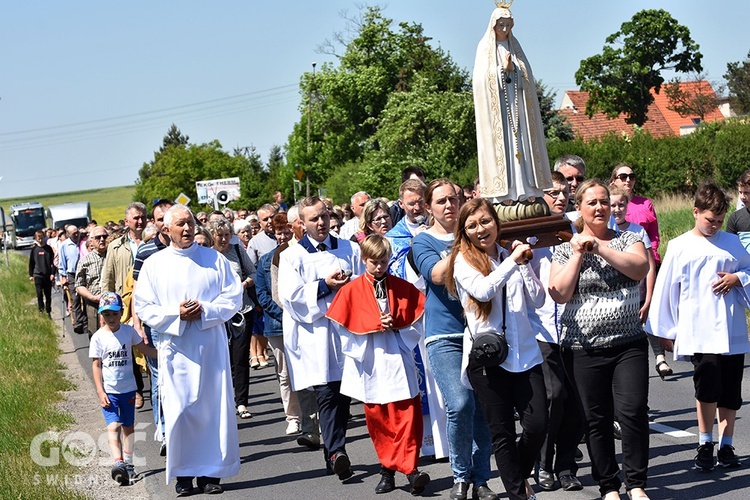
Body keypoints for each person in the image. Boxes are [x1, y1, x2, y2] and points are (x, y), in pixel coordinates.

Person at [549, 179, 650, 500]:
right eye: (591, 202)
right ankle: (609, 486)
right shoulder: (564, 248)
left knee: (632, 411)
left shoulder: (628, 238)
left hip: (628, 344)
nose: (599, 207)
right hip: (583, 349)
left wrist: (601, 247)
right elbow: (559, 292)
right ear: (578, 208)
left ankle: (635, 484)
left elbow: (640, 268)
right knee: (597, 419)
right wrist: (579, 253)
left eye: (604, 201)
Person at [134, 205, 243, 495]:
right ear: (165, 230)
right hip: (176, 348)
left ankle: (210, 475)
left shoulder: (213, 259)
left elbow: (233, 296)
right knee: (179, 410)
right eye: (180, 224)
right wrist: (176, 313)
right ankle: (183, 475)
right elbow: (143, 305)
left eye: (190, 223)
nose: (186, 229)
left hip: (210, 346)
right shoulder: (155, 265)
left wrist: (205, 310)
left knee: (212, 409)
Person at [447, 198, 546, 500]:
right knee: (502, 434)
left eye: (486, 221)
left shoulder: (509, 254)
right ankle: (519, 494)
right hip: (489, 360)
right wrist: (511, 262)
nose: (481, 229)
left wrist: (524, 264)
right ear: (464, 232)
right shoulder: (462, 261)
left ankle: (518, 474)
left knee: (537, 425)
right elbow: (483, 289)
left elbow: (538, 300)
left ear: (496, 222)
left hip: (526, 355)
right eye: (472, 225)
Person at [646, 182, 750, 472]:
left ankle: (726, 444)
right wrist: (665, 330)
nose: (715, 226)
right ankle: (705, 441)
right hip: (699, 328)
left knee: (730, 388)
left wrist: (738, 278)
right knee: (707, 384)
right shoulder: (681, 246)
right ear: (695, 212)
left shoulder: (732, 243)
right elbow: (667, 288)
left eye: (719, 221)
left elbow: (749, 270)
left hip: (730, 327)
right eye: (709, 220)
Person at [412, 179, 498, 500]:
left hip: (480, 331)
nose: (449, 206)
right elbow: (436, 275)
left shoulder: (477, 233)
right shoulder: (423, 241)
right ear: (428, 207)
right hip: (444, 334)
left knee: (482, 407)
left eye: (454, 199)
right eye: (441, 201)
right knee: (460, 404)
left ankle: (481, 479)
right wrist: (464, 240)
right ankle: (460, 476)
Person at [327, 234, 431, 495]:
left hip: (398, 355)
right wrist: (370, 328)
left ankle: (410, 469)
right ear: (364, 260)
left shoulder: (402, 286)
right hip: (370, 361)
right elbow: (341, 329)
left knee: (407, 415)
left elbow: (416, 321)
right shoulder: (350, 290)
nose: (379, 267)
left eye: (383, 261)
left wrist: (397, 324)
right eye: (374, 262)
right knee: (379, 419)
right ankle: (387, 470)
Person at [278, 196, 364, 482]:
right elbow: (290, 297)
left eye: (324, 216)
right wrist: (324, 286)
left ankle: (333, 450)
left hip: (345, 330)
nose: (321, 223)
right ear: (302, 224)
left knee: (343, 396)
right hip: (316, 335)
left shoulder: (350, 249)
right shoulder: (293, 256)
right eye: (314, 219)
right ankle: (338, 452)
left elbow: (363, 284)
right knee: (326, 393)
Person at [527, 172, 584, 492]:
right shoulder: (531, 235)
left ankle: (566, 466)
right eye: (552, 193)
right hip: (542, 328)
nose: (560, 198)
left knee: (577, 400)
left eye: (564, 192)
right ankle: (543, 464)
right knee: (555, 395)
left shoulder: (576, 228)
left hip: (578, 327)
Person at [473, 5, 552, 206]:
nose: (505, 29)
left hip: (518, 109)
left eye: (508, 25)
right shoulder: (485, 48)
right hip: (498, 111)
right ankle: (504, 194)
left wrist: (514, 71)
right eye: (501, 25)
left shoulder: (516, 49)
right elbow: (481, 81)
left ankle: (527, 189)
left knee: (524, 147)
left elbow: (527, 78)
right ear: (493, 25)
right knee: (505, 150)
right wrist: (502, 70)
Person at [89, 292, 157, 485]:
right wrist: (100, 391)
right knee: (113, 425)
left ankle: (128, 464)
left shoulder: (128, 332)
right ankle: (118, 463)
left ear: (121, 313)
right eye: (106, 314)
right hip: (109, 391)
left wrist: (165, 354)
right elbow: (96, 365)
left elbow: (146, 350)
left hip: (128, 389)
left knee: (128, 426)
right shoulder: (98, 338)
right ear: (102, 315)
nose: (110, 318)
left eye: (114, 314)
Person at [609, 185, 665, 381]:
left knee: (639, 339)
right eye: (612, 205)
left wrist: (649, 299)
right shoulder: (605, 232)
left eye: (621, 205)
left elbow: (649, 267)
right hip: (616, 301)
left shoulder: (638, 231)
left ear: (627, 206)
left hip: (639, 295)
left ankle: (655, 362)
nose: (616, 209)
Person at [208, 218, 256, 420]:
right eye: (220, 235)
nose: (224, 239)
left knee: (240, 357)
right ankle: (222, 401)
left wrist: (243, 284)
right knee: (221, 359)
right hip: (218, 316)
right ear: (213, 236)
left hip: (242, 311)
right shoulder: (207, 256)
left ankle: (242, 402)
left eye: (227, 235)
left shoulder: (237, 251)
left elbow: (253, 272)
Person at [101, 202, 148, 409]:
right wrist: (108, 309)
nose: (140, 221)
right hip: (126, 304)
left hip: (151, 300)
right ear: (127, 221)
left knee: (151, 345)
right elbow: (107, 279)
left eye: (142, 217)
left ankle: (157, 386)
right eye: (135, 218)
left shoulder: (154, 241)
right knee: (132, 346)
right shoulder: (116, 246)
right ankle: (138, 389)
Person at [386, 179, 427, 279]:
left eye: (420, 202)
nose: (417, 208)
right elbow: (394, 272)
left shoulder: (439, 225)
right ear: (401, 204)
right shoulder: (392, 239)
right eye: (412, 204)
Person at [75, 226, 110, 337]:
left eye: (104, 236)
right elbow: (79, 285)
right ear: (91, 241)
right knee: (96, 336)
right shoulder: (85, 261)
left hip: (113, 304)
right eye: (98, 237)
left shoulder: (113, 256)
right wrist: (93, 297)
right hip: (94, 304)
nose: (102, 239)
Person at [58, 224, 86, 333]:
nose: (76, 234)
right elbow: (62, 262)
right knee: (75, 298)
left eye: (77, 232)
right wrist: (63, 276)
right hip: (72, 274)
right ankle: (78, 322)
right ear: (68, 234)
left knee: (86, 298)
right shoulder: (64, 245)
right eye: (74, 233)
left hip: (84, 273)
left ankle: (86, 322)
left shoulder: (83, 242)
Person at [29, 229, 55, 317]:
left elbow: (53, 262)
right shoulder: (34, 250)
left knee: (48, 295)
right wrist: (31, 275)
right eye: (39, 239)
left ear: (44, 238)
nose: (40, 240)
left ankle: (48, 311)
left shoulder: (48, 249)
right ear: (36, 239)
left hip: (47, 275)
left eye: (42, 238)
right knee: (39, 294)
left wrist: (52, 273)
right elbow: (31, 263)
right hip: (37, 274)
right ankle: (41, 311)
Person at [726, 169, 750, 251]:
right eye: (740, 192)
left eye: (747, 193)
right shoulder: (735, 218)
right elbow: (730, 248)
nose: (742, 197)